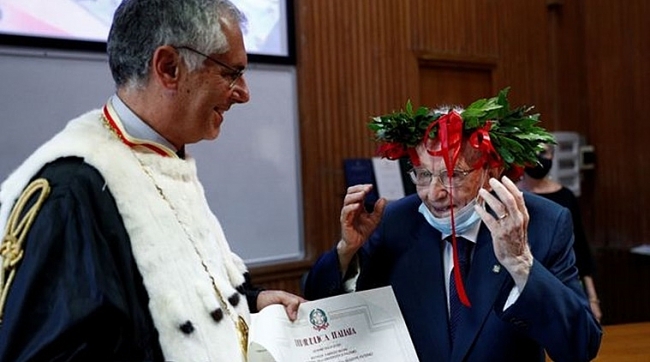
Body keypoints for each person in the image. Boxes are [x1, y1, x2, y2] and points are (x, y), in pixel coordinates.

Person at [0, 0, 304, 361]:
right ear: (169, 67)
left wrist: (252, 302)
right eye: (230, 73)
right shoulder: (73, 191)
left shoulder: (161, 157)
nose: (243, 93)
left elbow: (170, 298)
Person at [304, 89, 602, 362]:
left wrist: (522, 264)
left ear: (491, 171)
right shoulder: (395, 220)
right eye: (422, 175)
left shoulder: (543, 223)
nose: (434, 193)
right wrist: (347, 251)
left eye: (453, 175)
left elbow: (581, 346)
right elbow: (320, 308)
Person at [518, 143, 603, 322]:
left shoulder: (565, 196)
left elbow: (580, 247)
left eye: (543, 152)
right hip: (522, 282)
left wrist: (592, 298)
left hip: (560, 280)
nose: (538, 158)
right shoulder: (511, 195)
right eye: (532, 152)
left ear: (553, 156)